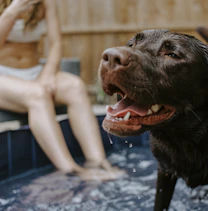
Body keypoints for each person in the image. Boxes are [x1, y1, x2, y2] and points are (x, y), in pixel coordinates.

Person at [0, 0, 123, 181]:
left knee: (75, 87)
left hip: (34, 73)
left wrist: (47, 74)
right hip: (3, 77)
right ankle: (71, 170)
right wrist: (14, 9)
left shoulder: (44, 2)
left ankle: (97, 161)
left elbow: (56, 42)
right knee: (38, 95)